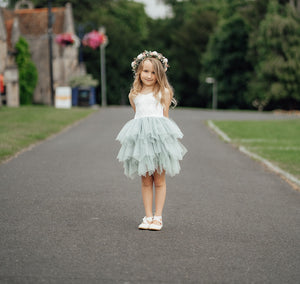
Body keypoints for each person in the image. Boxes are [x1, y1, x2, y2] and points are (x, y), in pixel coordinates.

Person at [116, 50, 187, 231]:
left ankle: (158, 217)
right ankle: (147, 216)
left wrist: (166, 142)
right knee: (146, 180)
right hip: (141, 142)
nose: (149, 75)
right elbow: (138, 117)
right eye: (145, 71)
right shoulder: (134, 94)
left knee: (159, 180)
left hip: (159, 141)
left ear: (160, 74)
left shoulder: (163, 92)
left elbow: (165, 118)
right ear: (138, 72)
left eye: (153, 72)